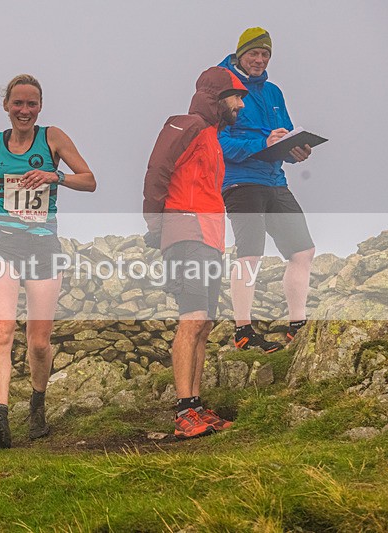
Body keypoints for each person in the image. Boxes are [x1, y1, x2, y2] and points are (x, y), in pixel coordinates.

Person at [0, 74, 96, 449]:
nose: (24, 110)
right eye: (18, 103)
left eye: (31, 104)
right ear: (6, 106)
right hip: (2, 243)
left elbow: (90, 180)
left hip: (44, 246)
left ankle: (37, 406)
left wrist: (54, 175)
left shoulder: (53, 138)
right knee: (0, 332)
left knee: (39, 342)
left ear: (40, 107)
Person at [143, 66, 247, 439]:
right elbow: (157, 169)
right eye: (237, 96)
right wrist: (155, 223)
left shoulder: (213, 137)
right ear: (218, 97)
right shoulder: (185, 124)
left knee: (203, 324)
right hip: (186, 233)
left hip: (209, 238)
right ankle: (184, 411)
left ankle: (196, 406)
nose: (240, 104)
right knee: (192, 320)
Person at [218, 27, 316, 353]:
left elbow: (284, 135)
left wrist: (294, 151)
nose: (259, 60)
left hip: (275, 179)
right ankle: (243, 331)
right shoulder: (224, 87)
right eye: (254, 53)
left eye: (265, 55)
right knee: (250, 253)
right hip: (241, 180)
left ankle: (297, 325)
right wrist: (264, 142)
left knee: (303, 251)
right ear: (240, 53)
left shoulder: (274, 92)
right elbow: (217, 141)